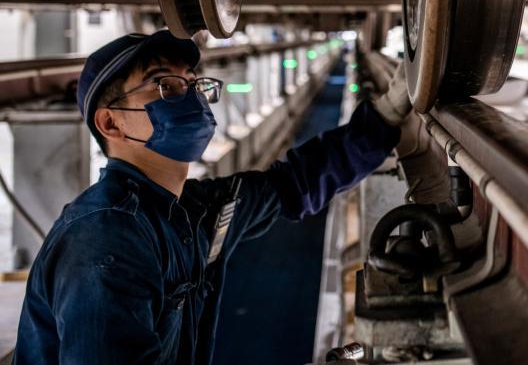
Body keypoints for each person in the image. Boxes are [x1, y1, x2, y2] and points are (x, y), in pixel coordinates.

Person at [14, 30, 412, 363]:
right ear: (110, 122)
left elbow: (293, 184)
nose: (191, 98)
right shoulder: (104, 240)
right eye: (165, 86)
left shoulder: (193, 210)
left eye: (191, 83)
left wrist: (386, 116)